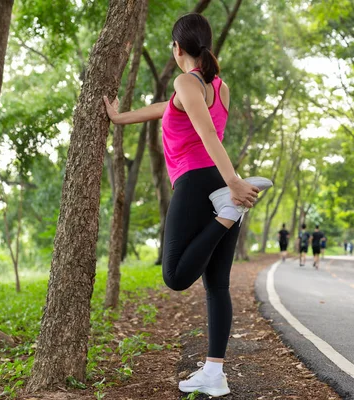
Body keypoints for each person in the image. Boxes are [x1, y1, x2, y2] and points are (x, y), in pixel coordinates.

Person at [104, 13, 273, 397]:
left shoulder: (185, 80)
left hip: (199, 184)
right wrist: (119, 118)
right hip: (217, 184)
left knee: (176, 277)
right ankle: (214, 374)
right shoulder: (218, 87)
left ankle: (228, 216)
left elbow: (207, 131)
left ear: (177, 48)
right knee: (217, 286)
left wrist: (234, 185)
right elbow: (168, 109)